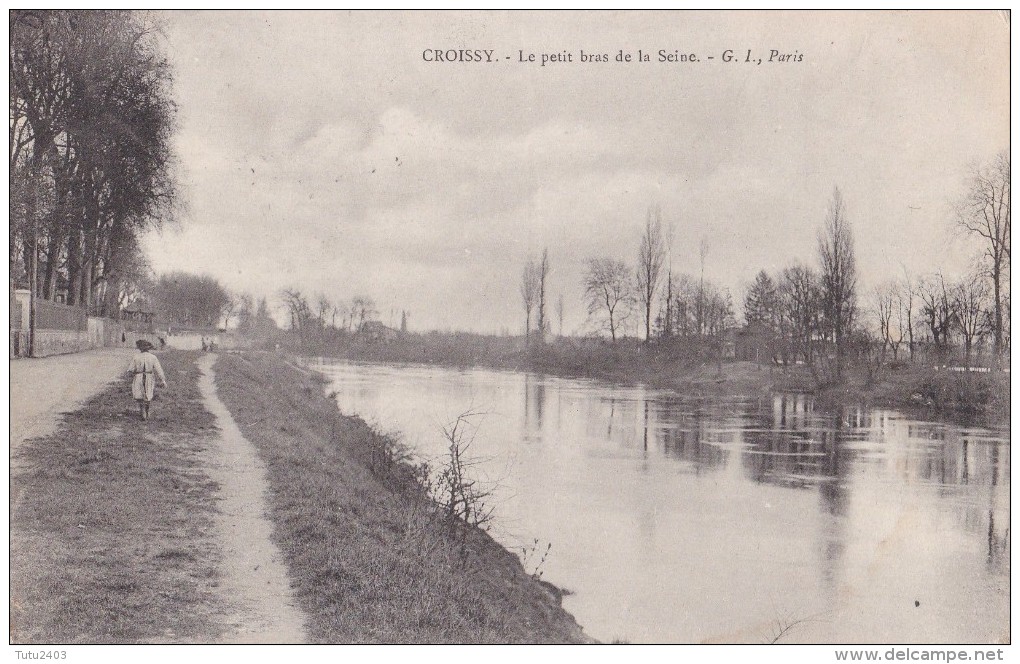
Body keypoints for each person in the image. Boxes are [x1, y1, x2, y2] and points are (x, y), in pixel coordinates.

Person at [128, 340, 168, 421]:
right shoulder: (153, 357)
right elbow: (159, 369)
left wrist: (132, 373)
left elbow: (131, 369)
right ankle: (146, 410)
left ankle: (142, 410)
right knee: (148, 393)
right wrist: (163, 380)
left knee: (139, 394)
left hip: (138, 376)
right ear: (148, 348)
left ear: (140, 348)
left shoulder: (136, 357)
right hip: (149, 376)